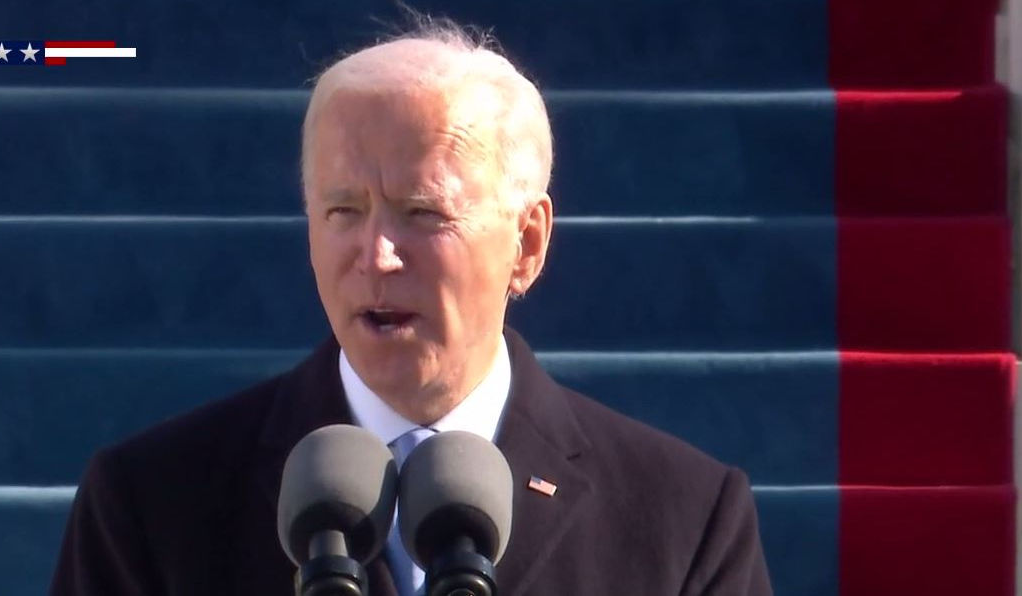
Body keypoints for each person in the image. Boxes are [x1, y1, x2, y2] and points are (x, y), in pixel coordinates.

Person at [50, 21, 772, 596]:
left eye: (423, 213)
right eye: (342, 210)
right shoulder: (150, 505)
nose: (376, 255)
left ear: (526, 243)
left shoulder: (684, 520)